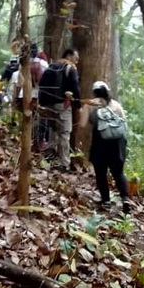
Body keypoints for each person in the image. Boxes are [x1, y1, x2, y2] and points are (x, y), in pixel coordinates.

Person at [79, 81, 129, 212]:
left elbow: (82, 124)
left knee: (101, 173)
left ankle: (106, 200)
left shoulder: (89, 105)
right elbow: (123, 122)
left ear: (94, 92)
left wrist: (82, 111)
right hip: (117, 142)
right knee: (118, 172)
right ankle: (125, 199)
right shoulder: (115, 105)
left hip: (100, 142)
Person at [38, 48, 80, 170]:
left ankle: (49, 158)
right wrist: (78, 105)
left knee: (52, 131)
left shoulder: (51, 66)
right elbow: (75, 87)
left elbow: (42, 84)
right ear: (69, 56)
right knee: (64, 133)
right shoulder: (70, 68)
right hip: (62, 105)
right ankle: (64, 163)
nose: (76, 62)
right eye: (76, 58)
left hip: (47, 105)